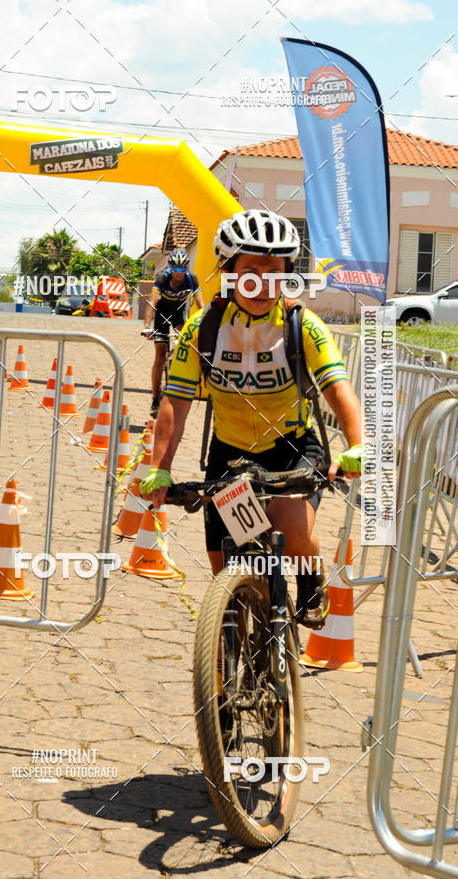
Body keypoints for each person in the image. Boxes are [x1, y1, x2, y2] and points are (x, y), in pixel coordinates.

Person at [141, 209, 365, 630]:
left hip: (292, 447)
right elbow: (175, 403)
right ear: (228, 273)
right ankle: (229, 659)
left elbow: (338, 389)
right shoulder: (202, 329)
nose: (262, 283)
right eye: (249, 271)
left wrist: (356, 444)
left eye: (274, 272)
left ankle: (311, 578)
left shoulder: (303, 326)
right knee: (225, 571)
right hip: (230, 454)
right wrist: (161, 469)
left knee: (293, 529)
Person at [141, 248, 204, 416]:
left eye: (183, 269)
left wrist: (204, 325)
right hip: (161, 314)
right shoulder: (163, 278)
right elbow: (152, 302)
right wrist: (147, 326)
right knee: (160, 355)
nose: (179, 273)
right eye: (176, 269)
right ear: (170, 268)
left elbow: (201, 306)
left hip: (178, 315)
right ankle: (155, 399)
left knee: (183, 344)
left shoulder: (191, 279)